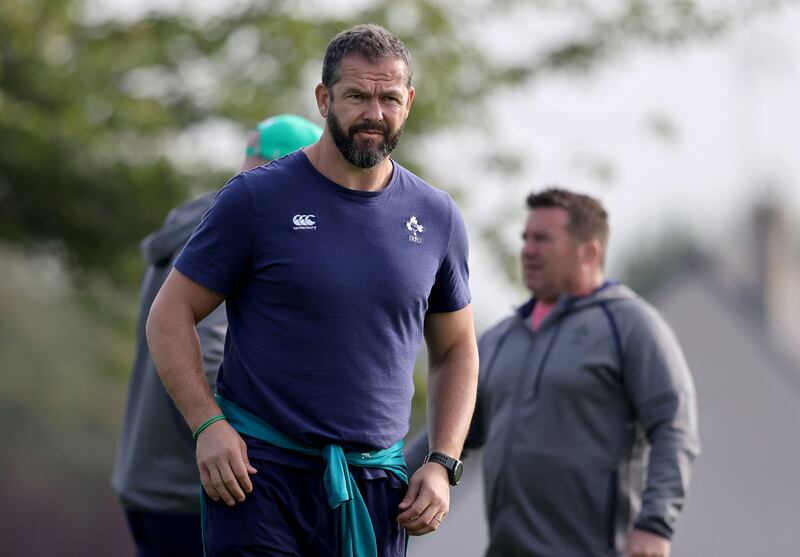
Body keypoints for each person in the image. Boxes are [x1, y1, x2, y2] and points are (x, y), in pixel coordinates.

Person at [145, 24, 479, 557]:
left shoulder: (436, 216)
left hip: (375, 487)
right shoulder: (256, 198)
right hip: (257, 476)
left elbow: (457, 348)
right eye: (357, 96)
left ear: (409, 102)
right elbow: (170, 315)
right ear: (324, 99)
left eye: (389, 98)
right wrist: (207, 425)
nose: (374, 113)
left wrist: (442, 462)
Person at [407, 188, 700, 557]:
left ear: (588, 251)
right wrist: (381, 481)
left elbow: (674, 427)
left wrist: (655, 523)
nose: (527, 250)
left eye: (542, 239)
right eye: (526, 238)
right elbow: (451, 428)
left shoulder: (630, 326)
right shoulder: (501, 338)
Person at [112, 114, 323, 557]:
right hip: (196, 488)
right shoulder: (234, 231)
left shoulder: (196, 220)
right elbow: (206, 347)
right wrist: (243, 448)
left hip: (149, 481)